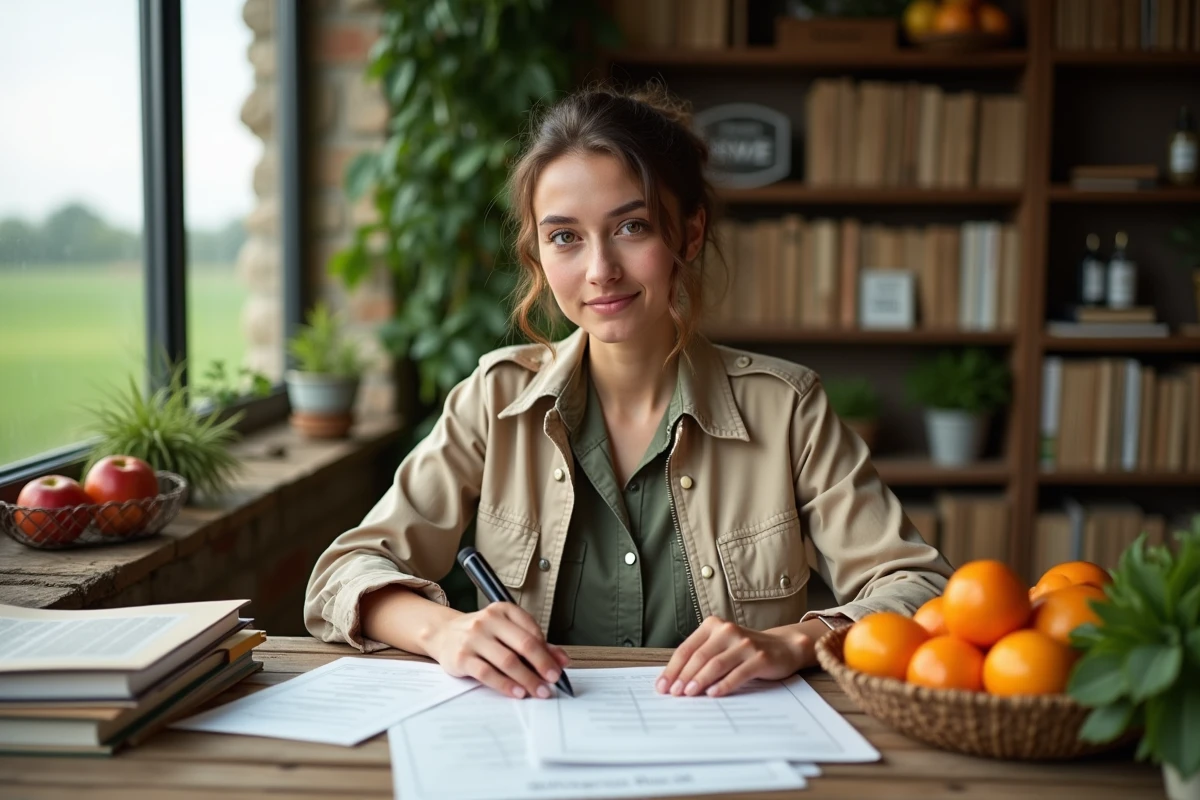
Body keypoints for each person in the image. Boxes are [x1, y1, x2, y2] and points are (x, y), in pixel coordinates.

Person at [304, 84, 953, 703]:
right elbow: (344, 574)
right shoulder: (494, 400)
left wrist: (795, 642)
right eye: (565, 237)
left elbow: (922, 589)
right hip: (538, 737)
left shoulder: (786, 408)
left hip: (729, 742)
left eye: (632, 227)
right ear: (537, 253)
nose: (600, 271)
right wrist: (444, 632)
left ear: (689, 234)